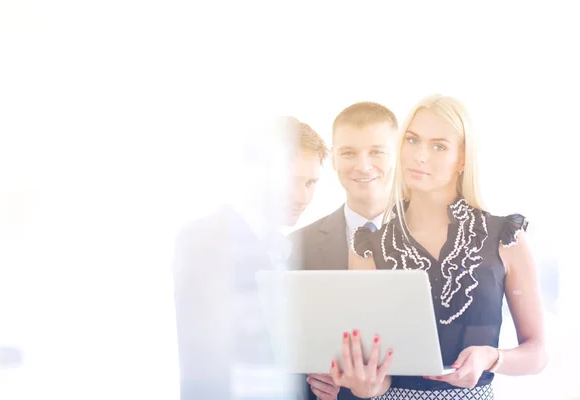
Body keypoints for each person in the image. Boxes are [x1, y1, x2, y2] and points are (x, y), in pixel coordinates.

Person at [330, 94, 547, 399]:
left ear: (462, 159)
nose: (419, 156)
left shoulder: (505, 237)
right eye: (412, 140)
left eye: (438, 146)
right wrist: (366, 386)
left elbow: (537, 353)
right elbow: (378, 375)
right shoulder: (369, 246)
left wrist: (492, 357)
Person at [172, 117, 329, 400]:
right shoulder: (205, 238)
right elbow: (200, 359)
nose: (302, 196)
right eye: (292, 181)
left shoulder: (287, 247)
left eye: (311, 182)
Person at [289, 102, 398, 400]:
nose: (363, 165)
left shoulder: (435, 240)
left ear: (398, 155)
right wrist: (314, 378)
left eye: (376, 151)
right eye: (348, 153)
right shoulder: (296, 248)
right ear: (333, 159)